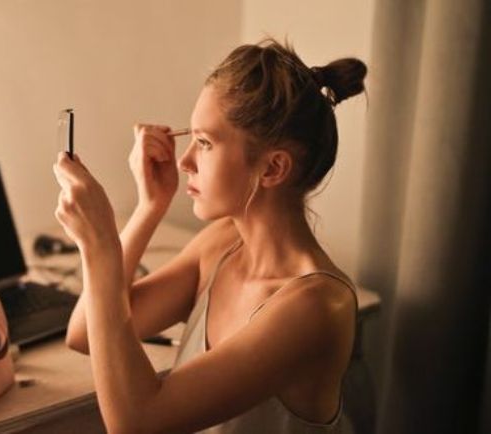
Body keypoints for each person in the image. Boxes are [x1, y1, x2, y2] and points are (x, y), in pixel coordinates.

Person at [52, 39, 367, 434]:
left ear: (272, 169)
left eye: (204, 143)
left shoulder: (316, 307)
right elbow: (83, 333)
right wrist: (149, 207)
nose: (184, 161)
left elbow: (137, 423)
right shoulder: (221, 244)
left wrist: (101, 247)